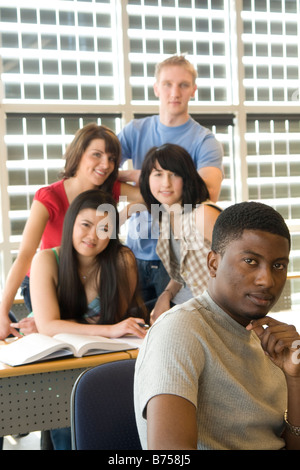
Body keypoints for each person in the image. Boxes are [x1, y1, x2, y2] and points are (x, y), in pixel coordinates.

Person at [134, 201, 300, 450]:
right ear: (213, 264)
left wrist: (294, 379)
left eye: (278, 266)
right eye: (250, 261)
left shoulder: (268, 338)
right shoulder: (180, 330)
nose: (267, 280)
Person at [29, 189, 147, 450]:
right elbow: (48, 325)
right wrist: (109, 329)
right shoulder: (46, 259)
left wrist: (105, 328)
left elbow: (115, 317)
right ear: (71, 223)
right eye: (85, 225)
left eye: (105, 228)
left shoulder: (121, 259)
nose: (93, 235)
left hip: (100, 354)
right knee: (64, 422)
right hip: (55, 360)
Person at [0, 123, 141, 340]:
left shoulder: (110, 189)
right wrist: (2, 310)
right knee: (51, 331)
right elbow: (26, 255)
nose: (106, 164)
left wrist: (125, 181)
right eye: (97, 155)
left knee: (68, 328)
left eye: (112, 159)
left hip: (91, 278)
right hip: (52, 279)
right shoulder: (49, 197)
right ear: (78, 154)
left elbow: (153, 198)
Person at [118, 54, 224, 309]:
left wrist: (137, 177)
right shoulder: (135, 130)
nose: (174, 92)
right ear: (156, 88)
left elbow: (207, 191)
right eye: (167, 84)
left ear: (193, 90)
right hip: (135, 253)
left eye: (183, 84)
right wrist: (139, 191)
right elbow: (100, 173)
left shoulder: (204, 140)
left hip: (177, 259)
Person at [139, 144, 221, 322]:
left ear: (187, 178)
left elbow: (238, 270)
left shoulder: (203, 214)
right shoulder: (167, 216)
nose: (166, 183)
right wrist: (166, 295)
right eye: (158, 174)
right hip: (182, 306)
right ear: (147, 179)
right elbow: (184, 271)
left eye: (174, 174)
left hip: (212, 314)